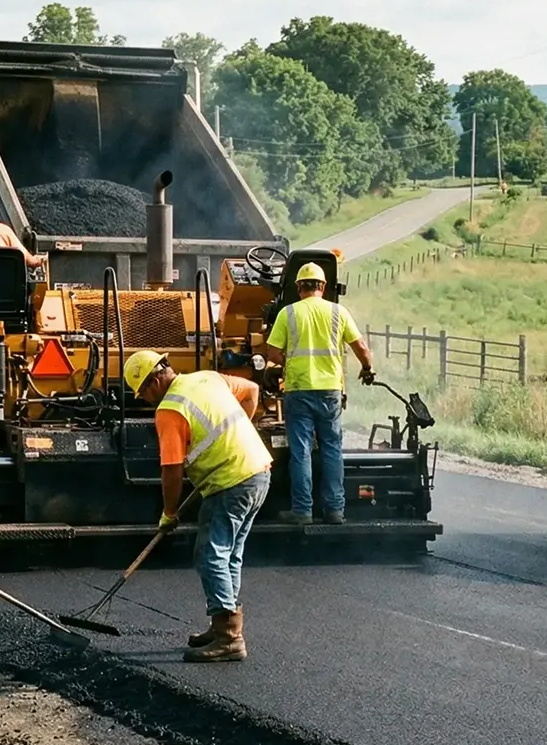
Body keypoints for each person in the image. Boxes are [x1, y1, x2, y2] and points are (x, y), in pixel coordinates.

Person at [124, 349, 272, 663]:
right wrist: (235, 433)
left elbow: (172, 470)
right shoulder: (207, 378)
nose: (147, 400)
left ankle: (229, 638)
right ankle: (223, 623)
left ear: (153, 381)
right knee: (229, 553)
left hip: (230, 481)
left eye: (143, 393)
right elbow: (253, 390)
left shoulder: (170, 410)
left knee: (210, 554)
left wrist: (169, 513)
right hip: (258, 471)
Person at [260, 263, 374, 525]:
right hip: (330, 392)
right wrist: (367, 369)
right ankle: (334, 510)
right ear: (323, 287)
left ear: (299, 287)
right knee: (332, 449)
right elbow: (362, 347)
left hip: (299, 390)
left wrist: (289, 361)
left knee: (301, 452)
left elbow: (273, 353)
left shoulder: (288, 314)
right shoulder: (338, 312)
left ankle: (302, 511)